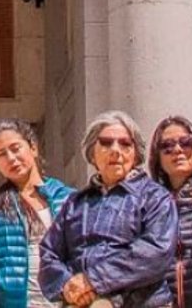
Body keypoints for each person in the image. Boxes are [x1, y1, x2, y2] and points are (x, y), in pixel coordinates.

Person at [39, 111, 177, 308]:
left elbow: (156, 252)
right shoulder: (76, 203)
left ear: (136, 154)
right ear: (92, 154)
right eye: (106, 143)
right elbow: (49, 253)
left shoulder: (155, 197)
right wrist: (68, 286)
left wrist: (93, 281)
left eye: (125, 144)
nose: (116, 150)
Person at [0, 118, 74, 308]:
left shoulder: (69, 199)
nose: (11, 158)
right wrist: (3, 284)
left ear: (33, 148)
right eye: (1, 154)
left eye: (15, 148)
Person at [147, 115, 192, 308]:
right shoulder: (150, 206)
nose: (178, 150)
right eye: (167, 146)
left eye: (186, 142)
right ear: (158, 157)